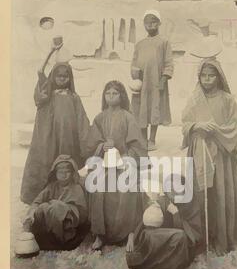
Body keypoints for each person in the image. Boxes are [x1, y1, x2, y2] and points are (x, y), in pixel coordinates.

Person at [181, 58, 237, 255]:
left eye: (211, 75)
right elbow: (185, 123)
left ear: (219, 77)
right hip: (199, 150)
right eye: (203, 76)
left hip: (220, 155)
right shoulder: (194, 99)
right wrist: (196, 126)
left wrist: (215, 131)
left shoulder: (228, 100)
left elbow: (234, 127)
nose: (207, 80)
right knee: (201, 194)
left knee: (219, 193)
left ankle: (221, 238)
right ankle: (201, 238)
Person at [20, 45, 90, 205]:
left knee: (64, 168)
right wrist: (51, 50)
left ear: (70, 78)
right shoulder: (46, 95)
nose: (62, 79)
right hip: (47, 140)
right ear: (53, 77)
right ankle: (41, 196)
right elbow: (40, 70)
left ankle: (65, 196)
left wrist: (87, 141)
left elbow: (82, 120)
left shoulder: (74, 97)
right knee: (46, 166)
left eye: (66, 76)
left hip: (67, 140)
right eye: (58, 76)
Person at [85, 80, 148, 252]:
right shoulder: (99, 118)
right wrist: (101, 147)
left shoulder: (128, 117)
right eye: (108, 93)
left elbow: (138, 145)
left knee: (126, 190)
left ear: (122, 96)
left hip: (124, 163)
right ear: (104, 97)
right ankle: (100, 234)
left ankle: (129, 233)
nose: (111, 96)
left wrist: (126, 156)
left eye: (115, 93)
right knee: (98, 188)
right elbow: (91, 145)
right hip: (104, 164)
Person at [126, 174, 202, 269]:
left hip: (178, 240)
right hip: (163, 238)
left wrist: (175, 213)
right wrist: (131, 236)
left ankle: (157, 265)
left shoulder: (191, 204)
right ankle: (142, 262)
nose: (172, 194)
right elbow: (145, 223)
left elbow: (193, 233)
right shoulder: (164, 201)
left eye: (176, 189)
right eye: (170, 190)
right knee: (148, 236)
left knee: (180, 238)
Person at [22, 154, 89, 250]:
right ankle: (47, 237)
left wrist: (63, 209)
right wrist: (31, 213)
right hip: (50, 224)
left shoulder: (76, 188)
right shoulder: (52, 187)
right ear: (55, 173)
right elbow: (36, 202)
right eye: (60, 172)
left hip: (68, 227)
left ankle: (61, 239)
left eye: (67, 172)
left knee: (55, 207)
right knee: (42, 207)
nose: (63, 175)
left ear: (72, 173)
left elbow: (83, 215)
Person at [130, 10, 174, 151]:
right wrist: (135, 75)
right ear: (144, 25)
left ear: (159, 23)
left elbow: (169, 63)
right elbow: (134, 62)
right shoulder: (140, 44)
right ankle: (143, 139)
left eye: (153, 21)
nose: (150, 25)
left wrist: (163, 79)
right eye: (147, 23)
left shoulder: (164, 42)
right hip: (142, 83)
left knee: (155, 108)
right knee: (142, 109)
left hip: (156, 82)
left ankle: (152, 139)